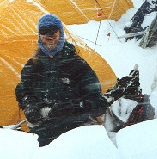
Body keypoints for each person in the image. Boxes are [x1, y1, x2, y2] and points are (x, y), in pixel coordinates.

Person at [15, 14, 107, 146]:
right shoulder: (32, 66)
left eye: (53, 32)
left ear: (61, 33)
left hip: (73, 133)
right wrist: (29, 104)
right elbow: (23, 91)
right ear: (39, 36)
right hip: (41, 133)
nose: (50, 37)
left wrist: (72, 107)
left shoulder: (77, 65)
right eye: (44, 32)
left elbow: (99, 103)